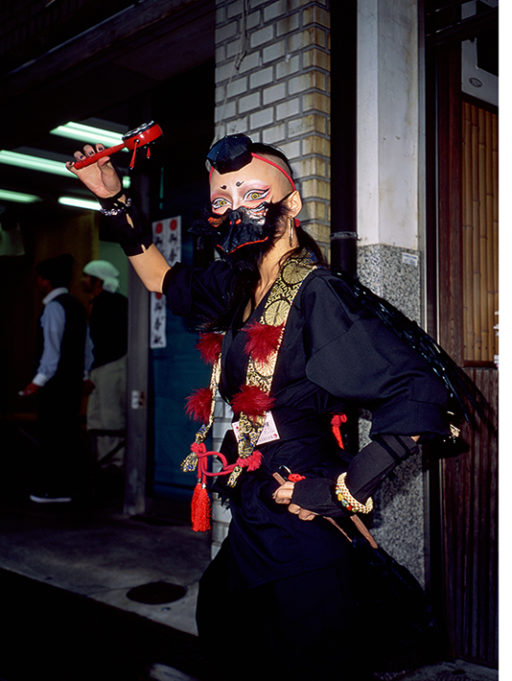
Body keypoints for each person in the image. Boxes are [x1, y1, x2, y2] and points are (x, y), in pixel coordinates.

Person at [66, 134, 463, 680]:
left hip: (300, 504)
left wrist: (341, 489)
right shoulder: (238, 284)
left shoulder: (319, 293)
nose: (236, 209)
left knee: (308, 648)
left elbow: (421, 392)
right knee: (230, 618)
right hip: (255, 497)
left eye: (253, 194)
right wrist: (115, 199)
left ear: (292, 203)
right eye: (221, 199)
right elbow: (162, 278)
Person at [21, 254, 88, 504]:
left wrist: (37, 381)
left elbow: (51, 350)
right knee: (67, 435)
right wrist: (84, 374)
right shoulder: (77, 306)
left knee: (51, 436)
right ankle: (69, 488)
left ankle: (52, 489)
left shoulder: (53, 307)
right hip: (71, 383)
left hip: (55, 384)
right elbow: (87, 346)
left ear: (44, 280)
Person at [81, 259, 128, 472]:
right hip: (102, 365)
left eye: (86, 276)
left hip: (112, 363)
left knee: (109, 415)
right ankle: (103, 460)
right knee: (98, 416)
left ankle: (115, 462)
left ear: (97, 279)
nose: (83, 281)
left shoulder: (112, 303)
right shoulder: (105, 302)